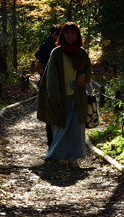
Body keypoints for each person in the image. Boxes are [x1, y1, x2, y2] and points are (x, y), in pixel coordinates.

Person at [36, 22, 91, 169]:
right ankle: (60, 156)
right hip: (60, 96)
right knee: (60, 127)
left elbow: (88, 70)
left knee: (76, 129)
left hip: (77, 97)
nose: (70, 36)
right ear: (63, 35)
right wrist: (54, 97)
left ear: (77, 35)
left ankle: (74, 158)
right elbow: (51, 76)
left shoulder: (82, 53)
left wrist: (83, 75)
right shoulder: (57, 53)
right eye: (67, 33)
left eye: (73, 33)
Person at [34, 25, 60, 147]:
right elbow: (39, 55)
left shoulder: (62, 47)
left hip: (63, 85)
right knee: (50, 115)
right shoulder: (49, 45)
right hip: (47, 83)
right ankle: (51, 143)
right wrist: (50, 40)